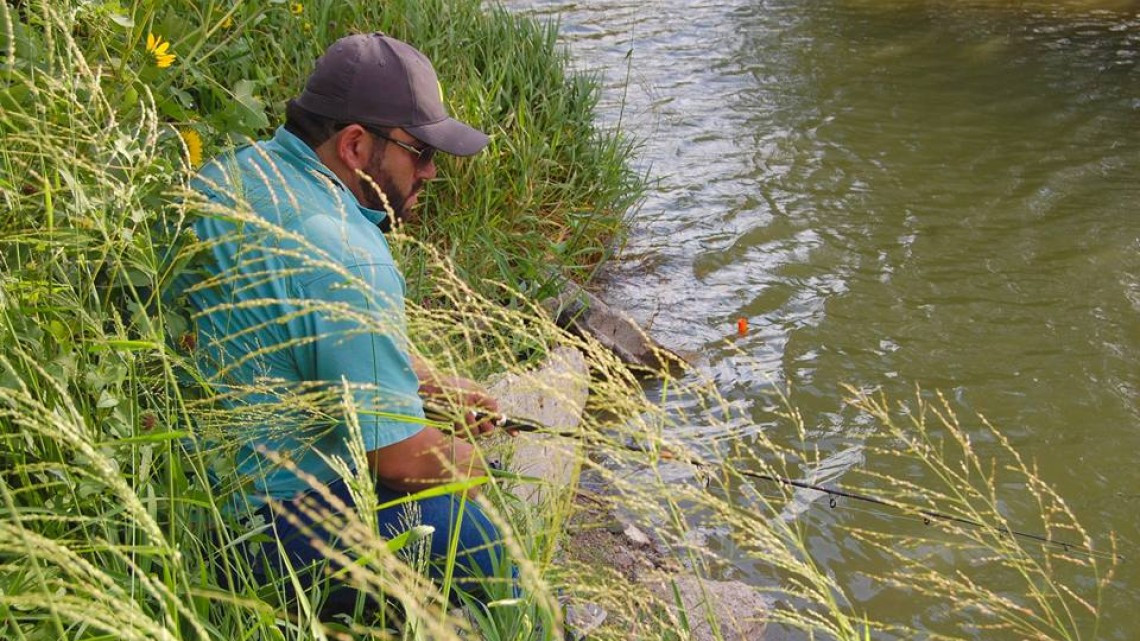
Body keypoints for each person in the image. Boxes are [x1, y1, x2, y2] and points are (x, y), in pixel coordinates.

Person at [174, 32, 513, 616]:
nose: (431, 172)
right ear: (355, 145)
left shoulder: (229, 174)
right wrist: (482, 466)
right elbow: (399, 460)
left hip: (184, 500)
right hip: (265, 533)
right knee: (470, 532)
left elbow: (299, 333)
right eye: (420, 152)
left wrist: (426, 386)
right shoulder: (349, 254)